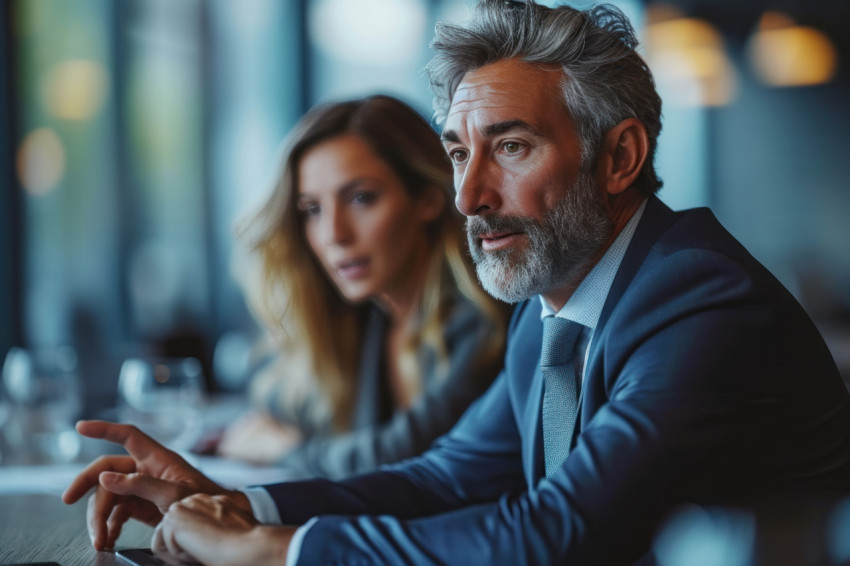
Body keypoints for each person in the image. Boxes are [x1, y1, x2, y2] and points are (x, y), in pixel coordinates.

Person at [63, 2, 850, 565]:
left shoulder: (700, 302)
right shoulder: (554, 304)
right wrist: (238, 505)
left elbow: (558, 538)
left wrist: (273, 551)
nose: (469, 197)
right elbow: (448, 477)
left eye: (509, 148)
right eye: (457, 154)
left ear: (619, 158)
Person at [207, 94, 507, 479]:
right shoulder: (361, 321)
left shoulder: (480, 322)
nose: (334, 234)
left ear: (428, 200)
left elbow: (403, 461)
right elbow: (277, 405)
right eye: (312, 210)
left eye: (361, 198)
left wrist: (286, 448)